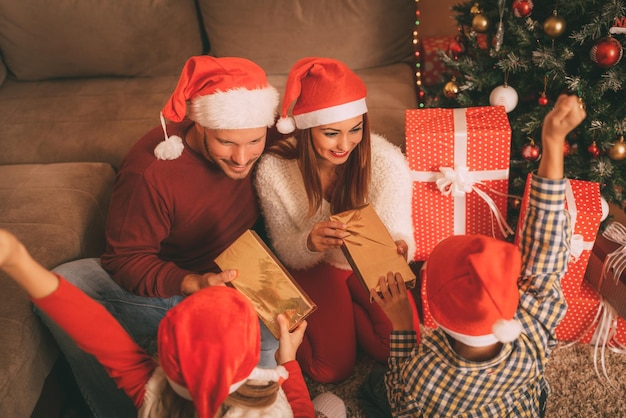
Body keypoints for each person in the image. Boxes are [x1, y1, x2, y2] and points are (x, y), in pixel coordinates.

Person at [35, 55, 282, 417]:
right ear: (199, 123)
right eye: (226, 143)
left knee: (269, 335)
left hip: (246, 274)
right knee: (64, 283)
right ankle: (122, 409)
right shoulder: (151, 172)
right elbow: (124, 259)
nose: (242, 158)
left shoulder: (265, 135)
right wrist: (191, 282)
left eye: (254, 142)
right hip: (187, 279)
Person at [362, 94, 586, 417]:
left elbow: (401, 404)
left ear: (436, 314)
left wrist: (401, 325)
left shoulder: (423, 372)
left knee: (375, 386)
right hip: (518, 404)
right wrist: (553, 141)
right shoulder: (532, 333)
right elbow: (547, 249)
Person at [0, 228, 347, 418]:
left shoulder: (151, 392)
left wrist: (17, 261)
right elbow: (301, 410)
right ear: (251, 362)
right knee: (332, 405)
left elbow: (90, 325)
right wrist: (288, 365)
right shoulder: (273, 407)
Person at [253, 57, 420, 384]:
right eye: (331, 134)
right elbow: (286, 251)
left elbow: (400, 229)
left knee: (401, 347)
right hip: (315, 266)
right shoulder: (273, 170)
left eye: (355, 129)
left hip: (368, 265)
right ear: (306, 130)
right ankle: (336, 321)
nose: (345, 144)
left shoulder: (386, 162)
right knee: (328, 370)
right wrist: (309, 241)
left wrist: (399, 246)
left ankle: (349, 316)